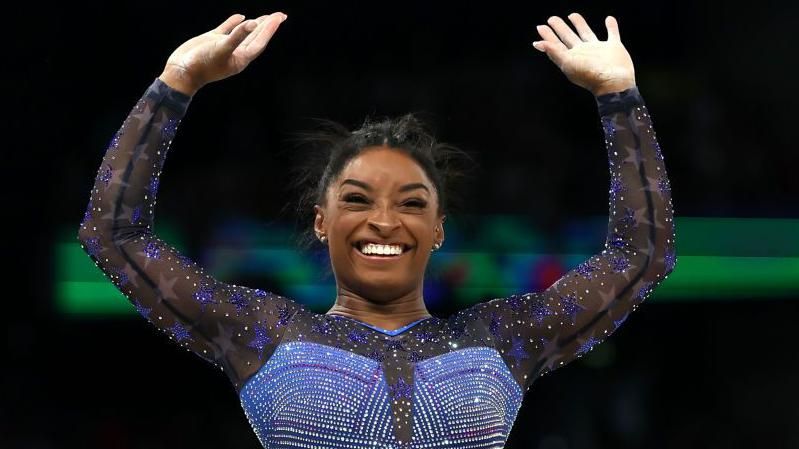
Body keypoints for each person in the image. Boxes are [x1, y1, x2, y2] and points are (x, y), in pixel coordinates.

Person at [77, 10, 677, 448]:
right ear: (322, 221)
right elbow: (115, 236)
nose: (384, 221)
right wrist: (174, 84)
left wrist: (618, 98)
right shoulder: (259, 332)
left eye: (412, 203)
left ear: (439, 228)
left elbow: (641, 255)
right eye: (358, 200)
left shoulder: (503, 337)